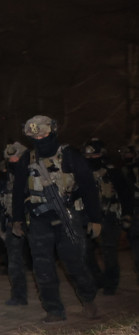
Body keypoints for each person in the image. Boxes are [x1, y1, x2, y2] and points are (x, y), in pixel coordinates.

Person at [11, 115, 101, 322]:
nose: (39, 139)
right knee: (42, 266)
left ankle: (88, 299)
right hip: (38, 220)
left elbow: (88, 187)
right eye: (35, 136)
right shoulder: (27, 159)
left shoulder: (69, 155)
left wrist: (95, 218)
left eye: (43, 135)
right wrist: (17, 218)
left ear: (52, 132)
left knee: (74, 263)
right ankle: (53, 309)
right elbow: (18, 191)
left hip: (67, 217)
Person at [81, 138, 131, 295]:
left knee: (109, 251)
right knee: (85, 251)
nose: (91, 158)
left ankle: (111, 282)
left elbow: (125, 194)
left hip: (109, 216)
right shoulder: (82, 172)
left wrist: (127, 215)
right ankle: (98, 279)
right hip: (88, 217)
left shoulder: (113, 172)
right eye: (88, 155)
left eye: (94, 155)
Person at [0, 142, 30, 305]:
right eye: (10, 159)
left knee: (41, 261)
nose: (13, 161)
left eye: (16, 158)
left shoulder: (34, 173)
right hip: (13, 223)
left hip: (35, 221)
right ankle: (19, 296)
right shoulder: (8, 177)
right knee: (14, 262)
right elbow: (2, 201)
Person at [118, 144, 139, 282]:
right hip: (132, 210)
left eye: (129, 154)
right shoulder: (124, 171)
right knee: (135, 241)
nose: (128, 157)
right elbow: (125, 195)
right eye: (125, 154)